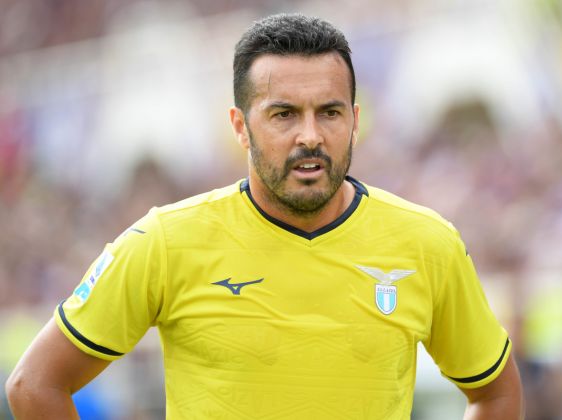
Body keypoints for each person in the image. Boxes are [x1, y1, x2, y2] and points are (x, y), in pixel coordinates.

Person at [5, 13, 524, 419]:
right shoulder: (165, 242)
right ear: (240, 126)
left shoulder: (427, 243)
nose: (310, 136)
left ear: (356, 120)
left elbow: (497, 394)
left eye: (330, 111)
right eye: (283, 114)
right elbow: (34, 385)